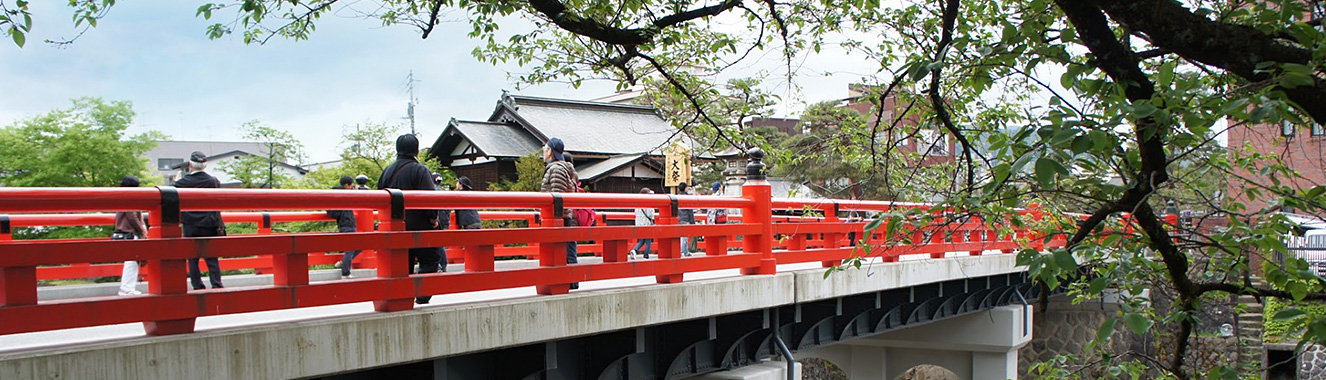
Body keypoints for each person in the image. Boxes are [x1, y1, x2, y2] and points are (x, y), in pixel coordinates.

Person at [377, 134, 444, 304]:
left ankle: (403, 297)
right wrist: (433, 219)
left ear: (397, 149)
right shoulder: (419, 170)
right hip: (418, 225)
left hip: (394, 226)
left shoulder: (387, 171)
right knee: (430, 259)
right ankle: (421, 296)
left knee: (402, 262)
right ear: (416, 150)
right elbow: (429, 198)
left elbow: (379, 197)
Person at [174, 151, 225, 290]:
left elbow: (170, 195)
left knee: (192, 257)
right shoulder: (213, 181)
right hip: (209, 222)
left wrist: (176, 181)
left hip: (190, 223)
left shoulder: (183, 182)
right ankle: (216, 283)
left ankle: (197, 285)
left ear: (190, 165)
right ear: (205, 165)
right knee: (212, 256)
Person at [539, 137, 580, 289]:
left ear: (550, 151)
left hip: (558, 217)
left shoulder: (556, 169)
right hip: (564, 216)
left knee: (562, 250)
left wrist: (551, 214)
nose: (543, 150)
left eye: (545, 148)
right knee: (567, 248)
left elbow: (557, 195)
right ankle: (570, 281)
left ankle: (568, 282)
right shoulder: (563, 168)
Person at [114, 175, 148, 296]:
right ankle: (127, 288)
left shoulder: (121, 196)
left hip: (124, 232)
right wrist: (142, 229)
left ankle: (127, 287)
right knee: (131, 262)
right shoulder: (129, 197)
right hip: (129, 232)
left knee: (131, 262)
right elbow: (132, 216)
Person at [328, 176, 361, 279]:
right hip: (346, 224)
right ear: (346, 185)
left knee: (359, 246)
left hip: (347, 224)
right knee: (350, 249)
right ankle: (345, 273)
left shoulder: (339, 194)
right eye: (351, 185)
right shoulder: (342, 194)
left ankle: (343, 263)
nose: (352, 187)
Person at [629, 187, 657, 259]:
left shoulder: (637, 203)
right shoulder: (648, 204)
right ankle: (646, 256)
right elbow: (651, 215)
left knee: (641, 241)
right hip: (647, 224)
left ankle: (634, 250)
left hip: (639, 224)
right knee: (648, 241)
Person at [677, 182, 696, 257]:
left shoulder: (677, 197)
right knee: (684, 236)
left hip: (678, 218)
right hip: (685, 218)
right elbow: (690, 210)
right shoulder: (687, 198)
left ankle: (685, 251)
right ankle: (683, 251)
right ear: (685, 188)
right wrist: (692, 221)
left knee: (681, 236)